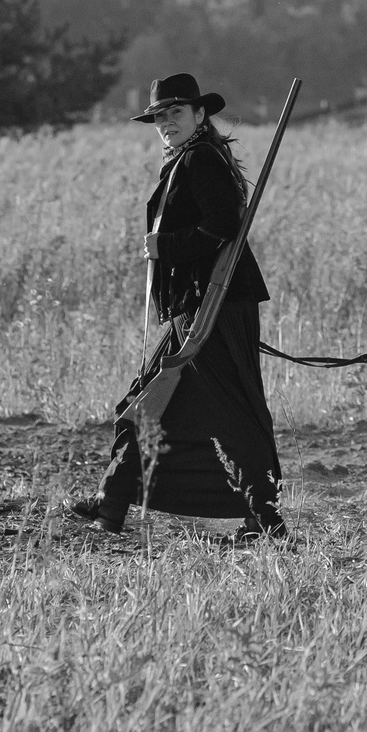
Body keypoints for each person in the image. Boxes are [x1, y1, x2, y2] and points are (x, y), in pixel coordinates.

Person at [72, 73, 287, 541]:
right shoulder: (191, 157)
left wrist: (164, 246)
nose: (166, 122)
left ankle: (266, 520)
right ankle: (113, 503)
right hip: (199, 303)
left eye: (175, 113)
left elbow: (222, 226)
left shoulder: (202, 159)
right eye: (159, 116)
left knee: (224, 410)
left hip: (214, 304)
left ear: (199, 115)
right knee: (148, 400)